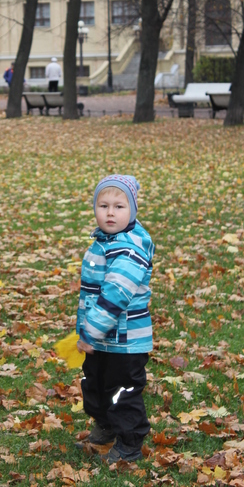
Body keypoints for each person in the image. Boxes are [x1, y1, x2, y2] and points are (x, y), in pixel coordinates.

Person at [76, 174, 154, 463]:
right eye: (103, 205)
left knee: (122, 390)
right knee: (96, 383)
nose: (110, 212)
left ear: (132, 210)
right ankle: (106, 426)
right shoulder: (105, 241)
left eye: (119, 207)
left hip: (125, 341)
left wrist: (90, 331)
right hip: (101, 338)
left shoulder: (130, 248)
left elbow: (115, 294)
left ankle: (130, 441)